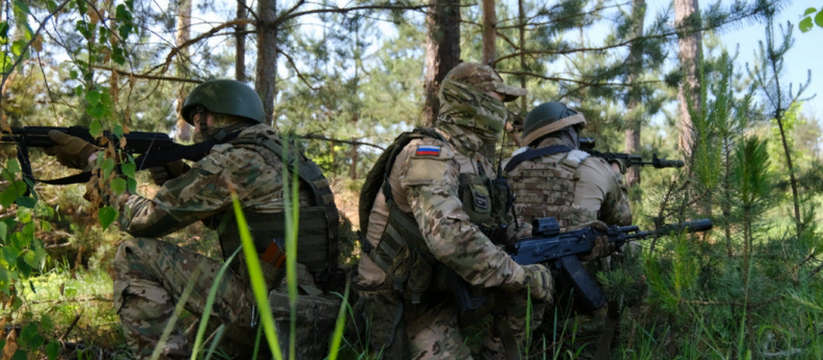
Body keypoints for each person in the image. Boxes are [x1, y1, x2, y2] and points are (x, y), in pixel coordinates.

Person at [44, 79, 341, 360]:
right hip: (305, 314)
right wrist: (182, 176)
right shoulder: (283, 154)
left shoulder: (236, 160)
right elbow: (240, 218)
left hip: (267, 312)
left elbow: (145, 221)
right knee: (200, 345)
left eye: (197, 119)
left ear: (206, 118)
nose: (196, 128)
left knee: (134, 253)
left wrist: (95, 162)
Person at [352, 62, 554, 360]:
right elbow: (449, 238)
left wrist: (545, 242)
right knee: (526, 282)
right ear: (471, 102)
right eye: (498, 101)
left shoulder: (478, 162)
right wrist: (520, 275)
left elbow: (498, 227)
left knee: (530, 293)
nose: (504, 113)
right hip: (399, 298)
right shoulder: (427, 153)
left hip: (442, 284)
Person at [502, 101, 634, 358]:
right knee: (628, 245)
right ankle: (599, 334)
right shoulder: (594, 167)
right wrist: (615, 174)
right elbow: (622, 219)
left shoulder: (506, 167)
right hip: (574, 289)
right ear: (569, 132)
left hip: (515, 284)